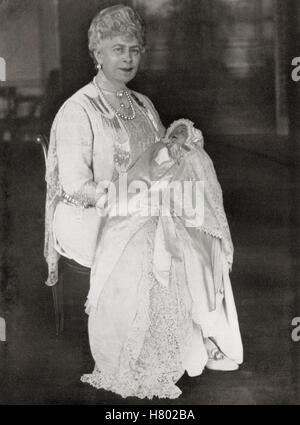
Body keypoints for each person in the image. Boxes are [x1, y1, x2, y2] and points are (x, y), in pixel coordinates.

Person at [45, 4, 242, 399]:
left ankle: (200, 334)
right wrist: (123, 198)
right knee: (158, 233)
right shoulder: (78, 109)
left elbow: (158, 162)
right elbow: (74, 184)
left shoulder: (142, 105)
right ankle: (139, 354)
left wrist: (178, 152)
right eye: (117, 49)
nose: (127, 59)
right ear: (97, 53)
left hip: (140, 206)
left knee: (195, 228)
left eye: (134, 50)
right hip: (88, 213)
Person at [81, 117, 243, 399]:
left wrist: (178, 146)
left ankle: (198, 339)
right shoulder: (151, 145)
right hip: (134, 204)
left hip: (170, 204)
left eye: (182, 134)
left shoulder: (187, 149)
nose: (177, 138)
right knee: (131, 253)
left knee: (195, 256)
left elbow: (199, 185)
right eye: (174, 133)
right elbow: (131, 179)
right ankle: (133, 352)